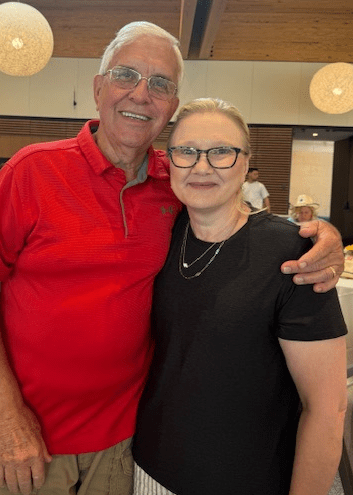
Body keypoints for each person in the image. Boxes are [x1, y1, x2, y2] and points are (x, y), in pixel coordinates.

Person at [0, 22, 344, 495]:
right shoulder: (32, 171)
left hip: (124, 442)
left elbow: (231, 215)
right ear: (98, 88)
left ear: (171, 107)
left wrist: (319, 234)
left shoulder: (173, 184)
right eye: (125, 75)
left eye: (160, 83)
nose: (141, 93)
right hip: (28, 438)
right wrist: (6, 413)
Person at [132, 98, 347, 495]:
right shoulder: (159, 233)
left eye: (221, 152)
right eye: (186, 151)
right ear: (170, 161)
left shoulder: (293, 254)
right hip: (150, 468)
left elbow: (326, 408)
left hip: (247, 479)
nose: (201, 167)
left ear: (245, 163)